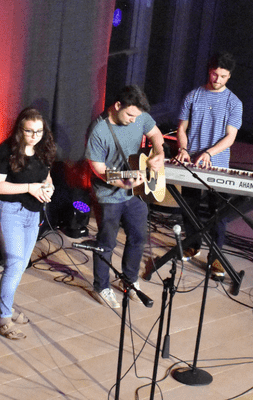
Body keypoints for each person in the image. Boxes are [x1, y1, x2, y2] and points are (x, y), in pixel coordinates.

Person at [85, 85, 165, 308]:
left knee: (138, 237)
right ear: (117, 105)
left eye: (136, 116)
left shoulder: (139, 116)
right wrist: (122, 181)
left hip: (135, 192)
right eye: (129, 115)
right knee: (106, 243)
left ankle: (129, 281)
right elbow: (98, 170)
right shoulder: (98, 131)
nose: (133, 120)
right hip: (109, 195)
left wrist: (159, 153)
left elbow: (156, 133)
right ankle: (101, 287)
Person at [174, 51, 244, 280]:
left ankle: (216, 257)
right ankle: (192, 245)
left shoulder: (234, 103)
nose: (217, 80)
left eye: (223, 76)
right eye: (215, 74)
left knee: (218, 212)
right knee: (190, 206)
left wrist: (208, 153)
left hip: (218, 164)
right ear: (209, 71)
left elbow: (230, 137)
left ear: (230, 76)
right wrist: (183, 149)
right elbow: (182, 128)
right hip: (191, 161)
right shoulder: (193, 96)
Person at [0, 107, 57, 339]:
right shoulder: (4, 151)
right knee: (15, 263)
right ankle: (4, 318)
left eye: (39, 131)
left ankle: (3, 308)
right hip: (11, 212)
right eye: (30, 131)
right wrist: (29, 188)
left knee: (22, 263)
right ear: (20, 130)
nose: (35, 136)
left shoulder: (43, 150)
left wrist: (49, 187)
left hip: (33, 213)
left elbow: (46, 177)